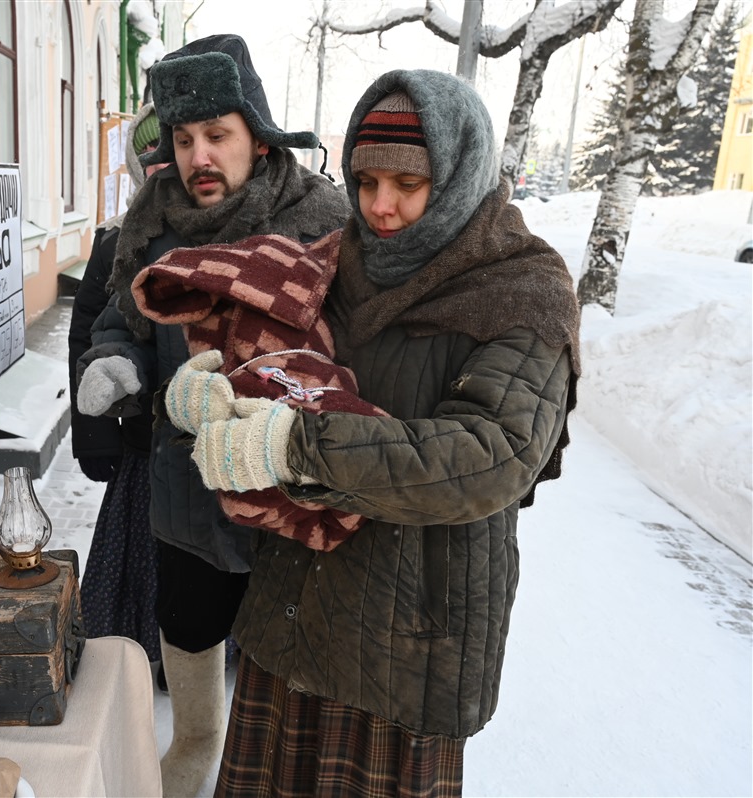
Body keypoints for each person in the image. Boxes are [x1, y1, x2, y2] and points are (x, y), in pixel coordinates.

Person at [164, 70, 581, 796]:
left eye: (408, 185)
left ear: (458, 175)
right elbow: (282, 375)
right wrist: (218, 395)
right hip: (295, 610)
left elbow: (491, 456)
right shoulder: (332, 264)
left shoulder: (523, 290)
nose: (380, 207)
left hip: (405, 642)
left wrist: (295, 447)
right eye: (365, 180)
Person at [74, 33, 350, 796]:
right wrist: (117, 364)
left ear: (257, 138)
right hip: (186, 494)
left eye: (217, 136)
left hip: (293, 501)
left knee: (281, 667)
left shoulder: (321, 221)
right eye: (185, 138)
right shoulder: (151, 226)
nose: (199, 156)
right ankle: (194, 750)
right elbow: (119, 321)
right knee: (189, 634)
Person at [69, 102, 166, 668]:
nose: (158, 172)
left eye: (166, 156)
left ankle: (185, 660)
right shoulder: (114, 242)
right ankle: (134, 654)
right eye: (146, 160)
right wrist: (95, 439)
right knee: (135, 557)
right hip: (137, 442)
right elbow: (85, 338)